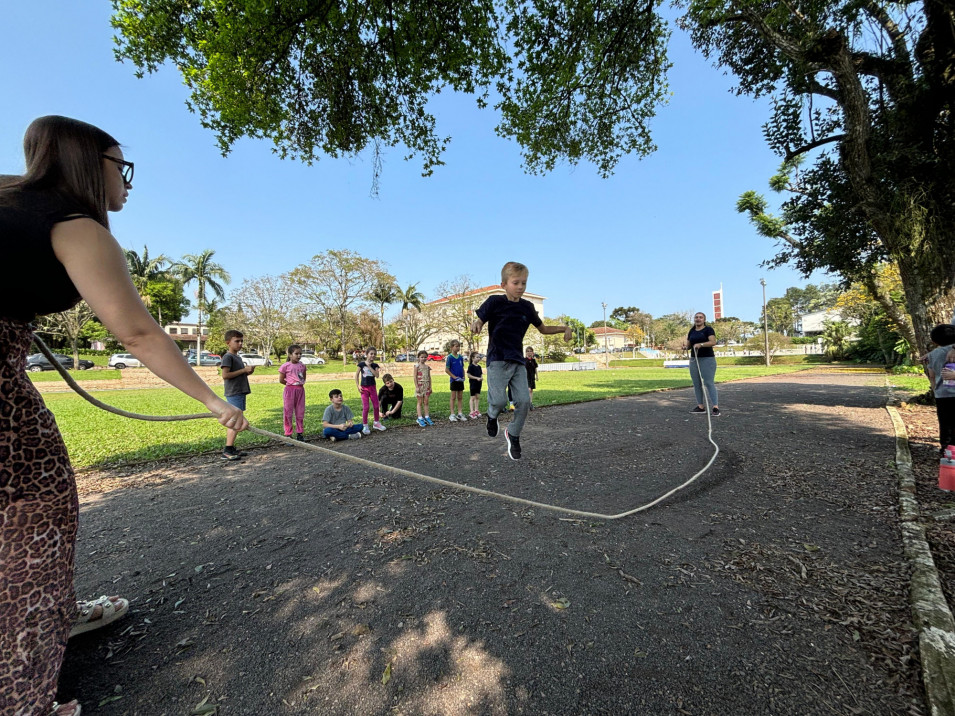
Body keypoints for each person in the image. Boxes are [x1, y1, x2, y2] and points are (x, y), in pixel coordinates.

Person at [0, 115, 247, 716]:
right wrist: (214, 402)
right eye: (121, 166)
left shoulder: (10, 196)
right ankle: (22, 696)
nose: (127, 182)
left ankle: (52, 614)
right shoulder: (75, 226)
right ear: (89, 166)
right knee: (36, 510)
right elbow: (136, 331)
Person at [471, 262, 571, 460]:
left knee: (524, 402)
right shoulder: (494, 302)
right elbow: (481, 320)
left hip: (517, 360)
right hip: (497, 359)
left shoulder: (527, 307)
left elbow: (542, 329)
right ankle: (492, 416)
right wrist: (477, 323)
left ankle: (513, 434)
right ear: (503, 284)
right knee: (499, 402)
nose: (520, 287)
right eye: (516, 283)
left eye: (524, 283)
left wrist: (564, 328)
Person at [219, 330, 255, 458]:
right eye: (237, 341)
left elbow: (238, 373)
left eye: (241, 341)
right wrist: (243, 370)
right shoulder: (228, 357)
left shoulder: (237, 357)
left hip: (240, 391)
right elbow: (225, 375)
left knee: (236, 419)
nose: (240, 344)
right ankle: (227, 450)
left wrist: (247, 372)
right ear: (228, 342)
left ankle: (231, 448)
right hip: (234, 392)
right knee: (235, 420)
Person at [924, 325, 955, 455]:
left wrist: (935, 388)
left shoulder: (932, 355)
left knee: (945, 423)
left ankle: (946, 449)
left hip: (942, 394)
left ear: (934, 342)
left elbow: (932, 375)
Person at [682, 312, 720, 417]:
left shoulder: (708, 330)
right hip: (694, 360)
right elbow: (689, 345)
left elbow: (713, 342)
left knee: (708, 382)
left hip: (707, 359)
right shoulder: (692, 331)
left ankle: (715, 407)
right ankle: (700, 407)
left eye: (700, 317)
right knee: (696, 383)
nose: (698, 319)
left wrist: (701, 345)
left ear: (704, 319)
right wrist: (685, 347)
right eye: (696, 317)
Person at [355, 346, 386, 434]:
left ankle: (376, 423)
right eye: (371, 354)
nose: (372, 355)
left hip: (372, 387)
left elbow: (377, 375)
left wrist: (369, 366)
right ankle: (365, 425)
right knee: (366, 407)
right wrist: (358, 386)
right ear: (367, 354)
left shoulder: (375, 365)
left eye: (374, 354)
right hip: (364, 388)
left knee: (376, 406)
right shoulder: (361, 364)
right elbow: (356, 375)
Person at [279, 344, 307, 441]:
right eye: (296, 354)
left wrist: (299, 384)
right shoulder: (285, 366)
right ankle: (288, 434)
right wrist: (291, 384)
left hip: (300, 390)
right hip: (290, 390)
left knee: (300, 412)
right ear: (290, 354)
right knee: (288, 412)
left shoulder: (302, 366)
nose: (299, 356)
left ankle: (300, 433)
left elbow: (303, 377)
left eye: (300, 354)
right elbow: (281, 380)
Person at [445, 339, 467, 421]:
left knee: (460, 397)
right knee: (453, 397)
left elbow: (462, 368)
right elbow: (447, 370)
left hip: (460, 380)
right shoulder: (449, 358)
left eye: (459, 346)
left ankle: (460, 413)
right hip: (454, 381)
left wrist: (463, 377)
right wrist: (454, 377)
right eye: (456, 346)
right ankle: (452, 414)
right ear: (451, 347)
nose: (458, 348)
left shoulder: (461, 357)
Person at [413, 350, 433, 427]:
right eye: (422, 357)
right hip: (420, 385)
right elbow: (414, 377)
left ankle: (427, 416)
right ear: (418, 357)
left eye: (425, 357)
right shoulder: (416, 366)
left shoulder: (427, 367)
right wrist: (417, 386)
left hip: (426, 385)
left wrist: (430, 386)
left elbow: (429, 377)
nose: (423, 358)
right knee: (420, 402)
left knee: (426, 401)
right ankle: (420, 417)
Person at [466, 352, 484, 419]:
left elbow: (481, 374)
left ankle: (476, 410)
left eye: (479, 357)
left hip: (479, 384)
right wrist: (476, 378)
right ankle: (471, 411)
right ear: (473, 358)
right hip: (473, 384)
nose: (478, 358)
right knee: (472, 397)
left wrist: (481, 377)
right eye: (477, 357)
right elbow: (468, 375)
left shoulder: (479, 367)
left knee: (477, 397)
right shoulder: (471, 366)